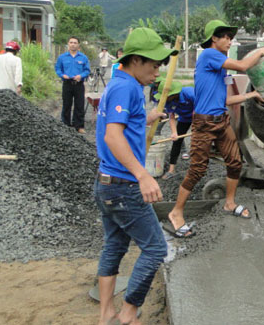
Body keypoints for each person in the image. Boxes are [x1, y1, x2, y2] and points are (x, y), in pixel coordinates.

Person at [94, 27, 177, 325]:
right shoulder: (126, 87)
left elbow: (123, 125)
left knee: (114, 246)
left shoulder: (119, 83)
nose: (157, 71)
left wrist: (146, 117)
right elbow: (114, 136)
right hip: (124, 187)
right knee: (156, 248)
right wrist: (143, 175)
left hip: (106, 185)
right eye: (154, 65)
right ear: (137, 60)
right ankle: (128, 314)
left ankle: (107, 314)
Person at [167, 19, 264, 238]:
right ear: (213, 39)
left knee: (234, 162)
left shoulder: (220, 66)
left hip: (221, 120)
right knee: (197, 169)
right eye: (224, 36)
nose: (228, 40)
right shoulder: (208, 55)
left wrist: (251, 95)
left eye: (230, 37)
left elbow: (226, 99)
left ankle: (229, 203)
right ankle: (176, 213)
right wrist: (262, 50)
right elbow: (243, 66)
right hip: (204, 123)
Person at [153, 80, 195, 180]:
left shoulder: (189, 93)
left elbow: (199, 108)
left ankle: (196, 168)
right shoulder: (168, 101)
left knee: (198, 140)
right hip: (183, 118)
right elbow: (171, 117)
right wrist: (174, 133)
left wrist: (196, 127)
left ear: (173, 94)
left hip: (199, 115)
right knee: (176, 142)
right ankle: (171, 170)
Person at [55, 36, 91, 134]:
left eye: (75, 42)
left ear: (78, 45)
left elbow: (87, 70)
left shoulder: (83, 57)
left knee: (79, 105)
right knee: (66, 104)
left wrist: (81, 75)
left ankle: (79, 126)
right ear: (68, 44)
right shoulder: (62, 57)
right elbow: (58, 69)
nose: (73, 44)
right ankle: (65, 125)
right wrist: (62, 75)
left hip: (79, 84)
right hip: (67, 84)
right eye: (71, 42)